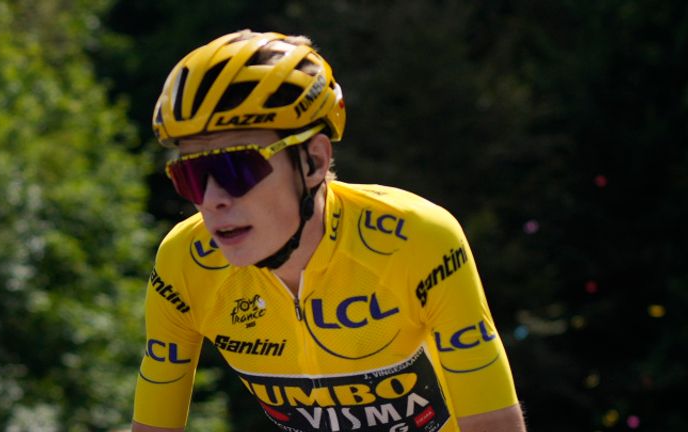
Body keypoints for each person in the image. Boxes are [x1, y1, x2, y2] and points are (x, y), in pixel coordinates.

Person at [132, 30, 526, 432]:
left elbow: (494, 422)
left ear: (314, 162)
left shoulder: (418, 240)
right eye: (192, 175)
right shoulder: (183, 263)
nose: (212, 200)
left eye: (238, 169)